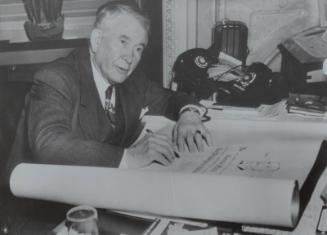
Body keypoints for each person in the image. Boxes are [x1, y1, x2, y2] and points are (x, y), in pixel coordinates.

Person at [5, 0, 211, 175]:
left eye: (139, 49)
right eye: (123, 41)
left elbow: (166, 98)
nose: (130, 57)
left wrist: (189, 113)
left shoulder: (130, 79)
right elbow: (49, 143)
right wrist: (129, 157)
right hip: (42, 210)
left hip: (98, 190)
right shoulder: (56, 77)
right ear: (96, 41)